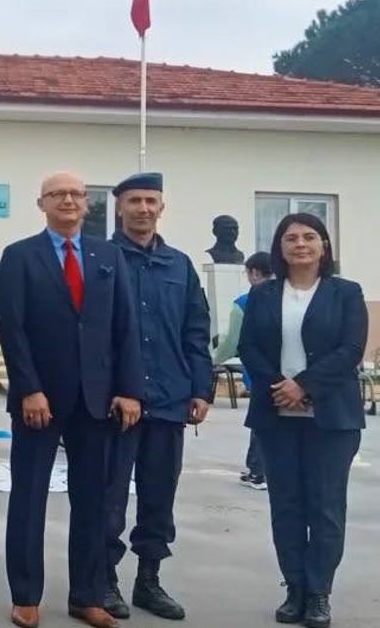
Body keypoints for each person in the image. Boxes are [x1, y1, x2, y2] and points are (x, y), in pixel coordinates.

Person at [0, 171, 144, 628]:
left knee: (93, 501)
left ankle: (87, 595)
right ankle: (25, 595)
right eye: (57, 194)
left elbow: (125, 326)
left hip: (96, 400)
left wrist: (129, 389)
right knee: (29, 497)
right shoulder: (20, 256)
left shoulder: (108, 256)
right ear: (41, 203)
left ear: (87, 204)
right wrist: (28, 388)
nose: (68, 201)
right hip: (39, 399)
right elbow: (11, 327)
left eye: (77, 194)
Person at [238, 213, 366, 628]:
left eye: (310, 236)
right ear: (280, 247)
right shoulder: (262, 294)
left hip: (332, 418)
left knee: (325, 508)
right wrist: (281, 387)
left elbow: (351, 349)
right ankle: (294, 589)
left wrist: (305, 386)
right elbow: (249, 347)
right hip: (276, 416)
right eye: (291, 238)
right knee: (287, 506)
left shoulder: (346, 293)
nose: (300, 244)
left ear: (324, 245)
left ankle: (318, 594)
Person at [101, 173, 212, 622]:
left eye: (151, 201)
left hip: (168, 399)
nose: (143, 208)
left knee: (158, 498)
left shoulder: (179, 265)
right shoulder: (101, 259)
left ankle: (148, 580)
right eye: (135, 201)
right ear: (119, 207)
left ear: (161, 207)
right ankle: (103, 580)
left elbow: (196, 329)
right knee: (108, 499)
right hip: (115, 405)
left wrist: (201, 388)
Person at [212, 251, 274, 488]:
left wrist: (212, 360)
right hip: (289, 373)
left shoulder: (244, 302)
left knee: (261, 419)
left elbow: (232, 342)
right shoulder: (286, 295)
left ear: (255, 273)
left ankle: (258, 472)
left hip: (259, 371)